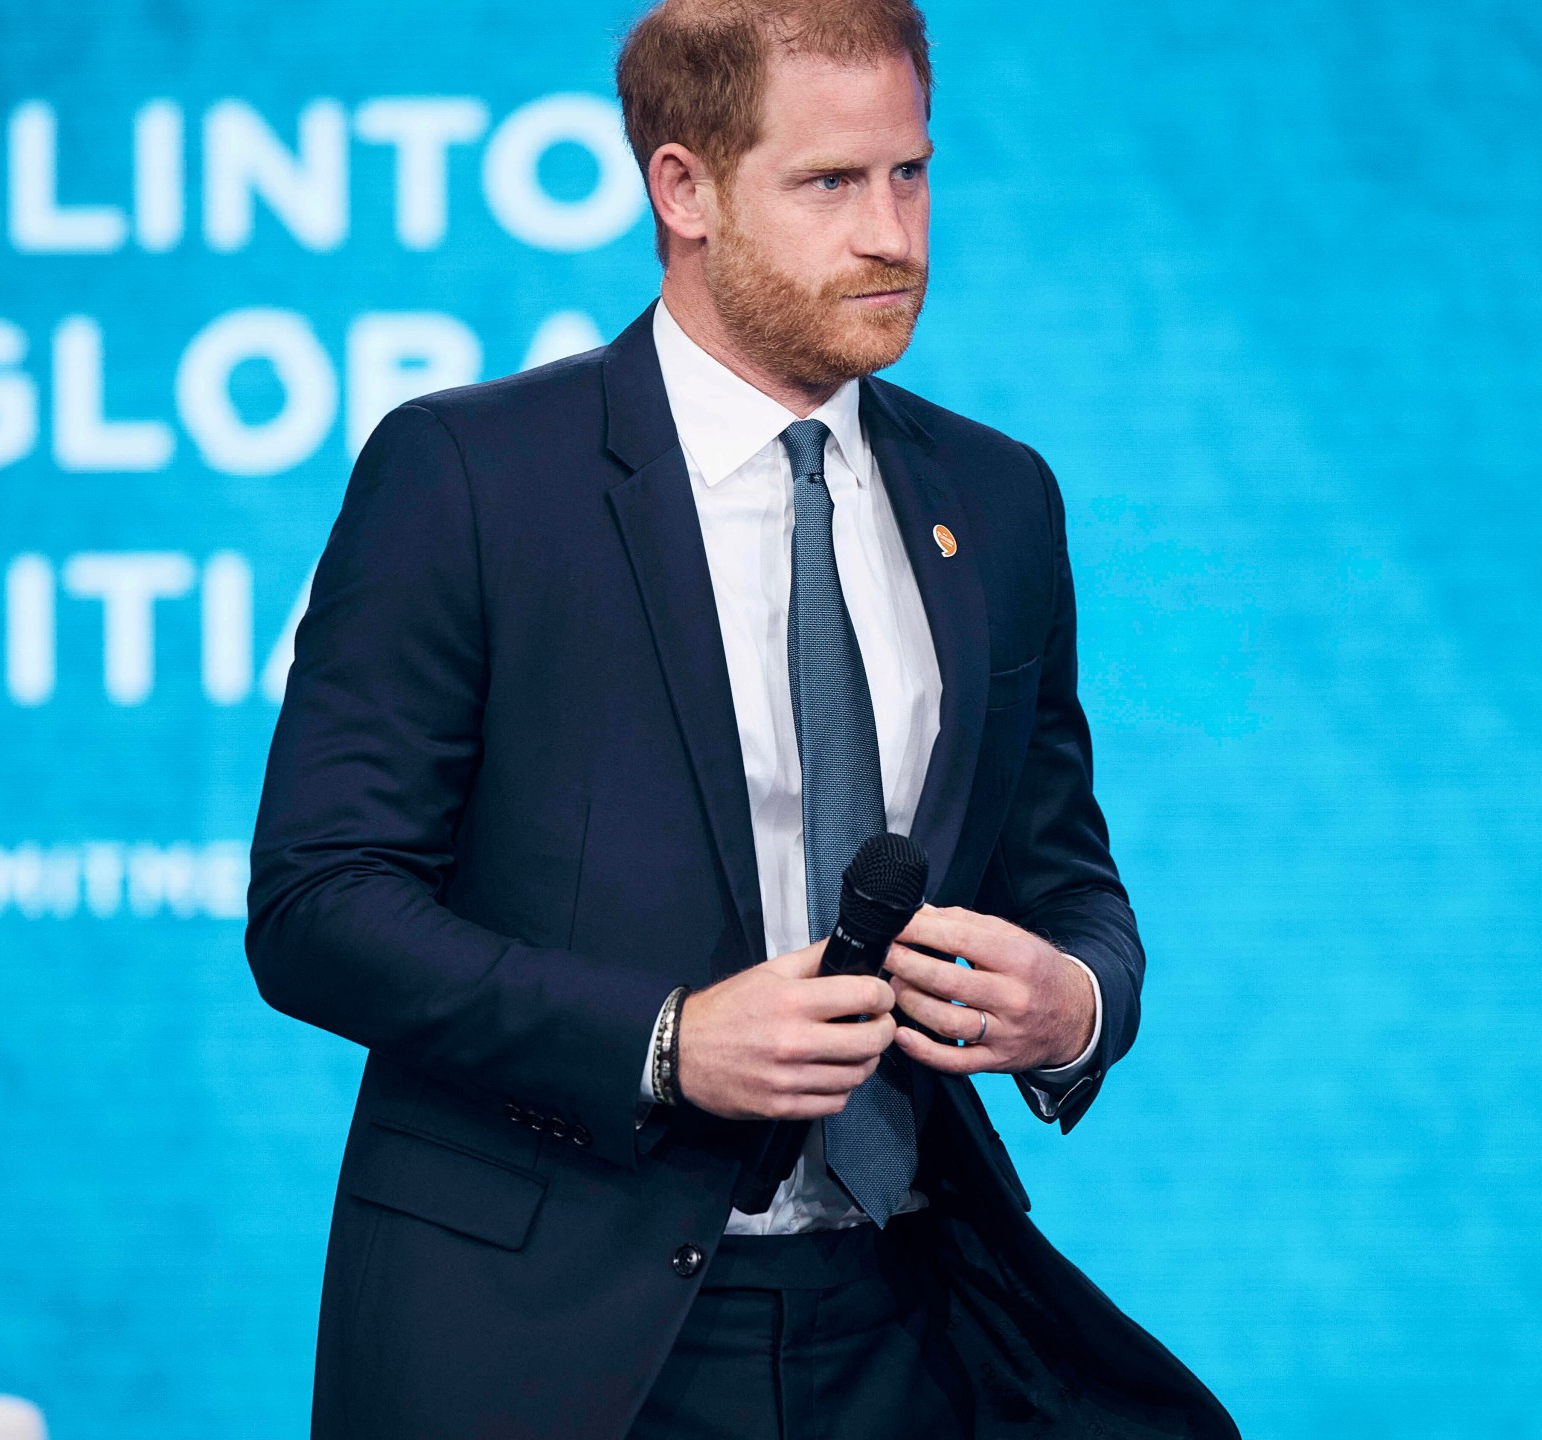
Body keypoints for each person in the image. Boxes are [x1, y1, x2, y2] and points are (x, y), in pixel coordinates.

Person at [245, 1, 1236, 1435]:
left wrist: (1072, 1004)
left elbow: (1064, 875)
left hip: (909, 1315)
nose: (893, 232)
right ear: (683, 189)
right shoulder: (468, 476)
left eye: (912, 173)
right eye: (830, 183)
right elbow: (318, 905)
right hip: (558, 1337)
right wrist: (662, 1040)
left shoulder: (999, 498)